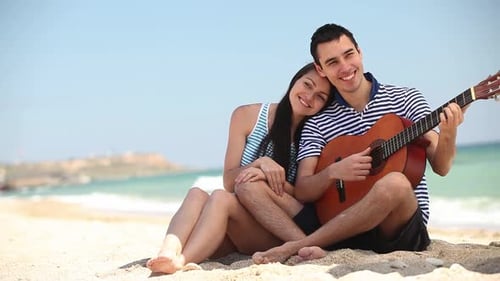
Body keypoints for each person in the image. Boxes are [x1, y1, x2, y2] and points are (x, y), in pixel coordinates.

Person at [251, 23, 466, 264]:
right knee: (252, 184)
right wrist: (334, 172)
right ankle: (317, 243)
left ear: (360, 52)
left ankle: (300, 244)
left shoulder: (407, 98)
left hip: (398, 229)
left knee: (395, 183)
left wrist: (448, 134)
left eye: (349, 55)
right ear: (320, 69)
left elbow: (441, 167)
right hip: (343, 232)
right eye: (332, 62)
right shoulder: (318, 123)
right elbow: (303, 189)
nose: (345, 67)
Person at [146, 62, 333, 274]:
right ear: (294, 82)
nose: (309, 96)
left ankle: (182, 260)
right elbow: (228, 181)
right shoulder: (247, 116)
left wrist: (266, 177)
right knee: (196, 194)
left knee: (220, 198)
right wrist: (259, 163)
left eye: (320, 97)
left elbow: (303, 195)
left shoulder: (313, 135)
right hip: (239, 224)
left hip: (275, 228)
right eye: (307, 85)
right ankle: (168, 253)